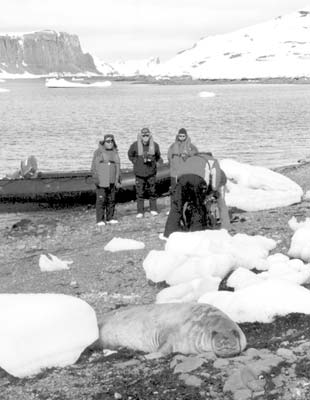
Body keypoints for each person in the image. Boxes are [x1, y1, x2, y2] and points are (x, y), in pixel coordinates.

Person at [163, 152, 230, 238]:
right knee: (197, 207)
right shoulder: (212, 161)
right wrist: (212, 191)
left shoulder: (191, 158)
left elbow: (177, 174)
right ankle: (197, 234)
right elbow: (215, 181)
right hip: (197, 180)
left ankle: (168, 235)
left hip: (181, 181)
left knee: (176, 208)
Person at [128, 127, 161, 218]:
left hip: (151, 172)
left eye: (147, 135)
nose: (145, 137)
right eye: (143, 135)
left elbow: (158, 156)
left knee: (152, 191)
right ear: (141, 136)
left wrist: (153, 162)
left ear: (150, 135)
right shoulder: (135, 145)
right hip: (139, 173)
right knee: (140, 192)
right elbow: (130, 154)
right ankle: (140, 211)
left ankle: (153, 209)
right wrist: (136, 161)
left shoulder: (155, 145)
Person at [91, 134, 121, 226]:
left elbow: (118, 167)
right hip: (102, 180)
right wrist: (96, 178)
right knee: (101, 200)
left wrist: (118, 179)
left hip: (112, 179)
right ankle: (100, 219)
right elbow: (93, 167)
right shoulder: (98, 152)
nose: (110, 143)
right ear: (104, 142)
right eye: (108, 141)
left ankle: (110, 218)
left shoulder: (115, 152)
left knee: (111, 199)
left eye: (112, 141)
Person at [167, 128, 198, 201]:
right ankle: (173, 209)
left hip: (184, 172)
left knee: (184, 190)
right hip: (174, 172)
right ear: (178, 136)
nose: (181, 138)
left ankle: (183, 207)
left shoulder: (190, 146)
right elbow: (169, 156)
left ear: (186, 136)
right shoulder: (173, 146)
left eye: (183, 136)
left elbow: (196, 152)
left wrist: (188, 154)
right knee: (174, 190)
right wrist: (173, 163)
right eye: (180, 136)